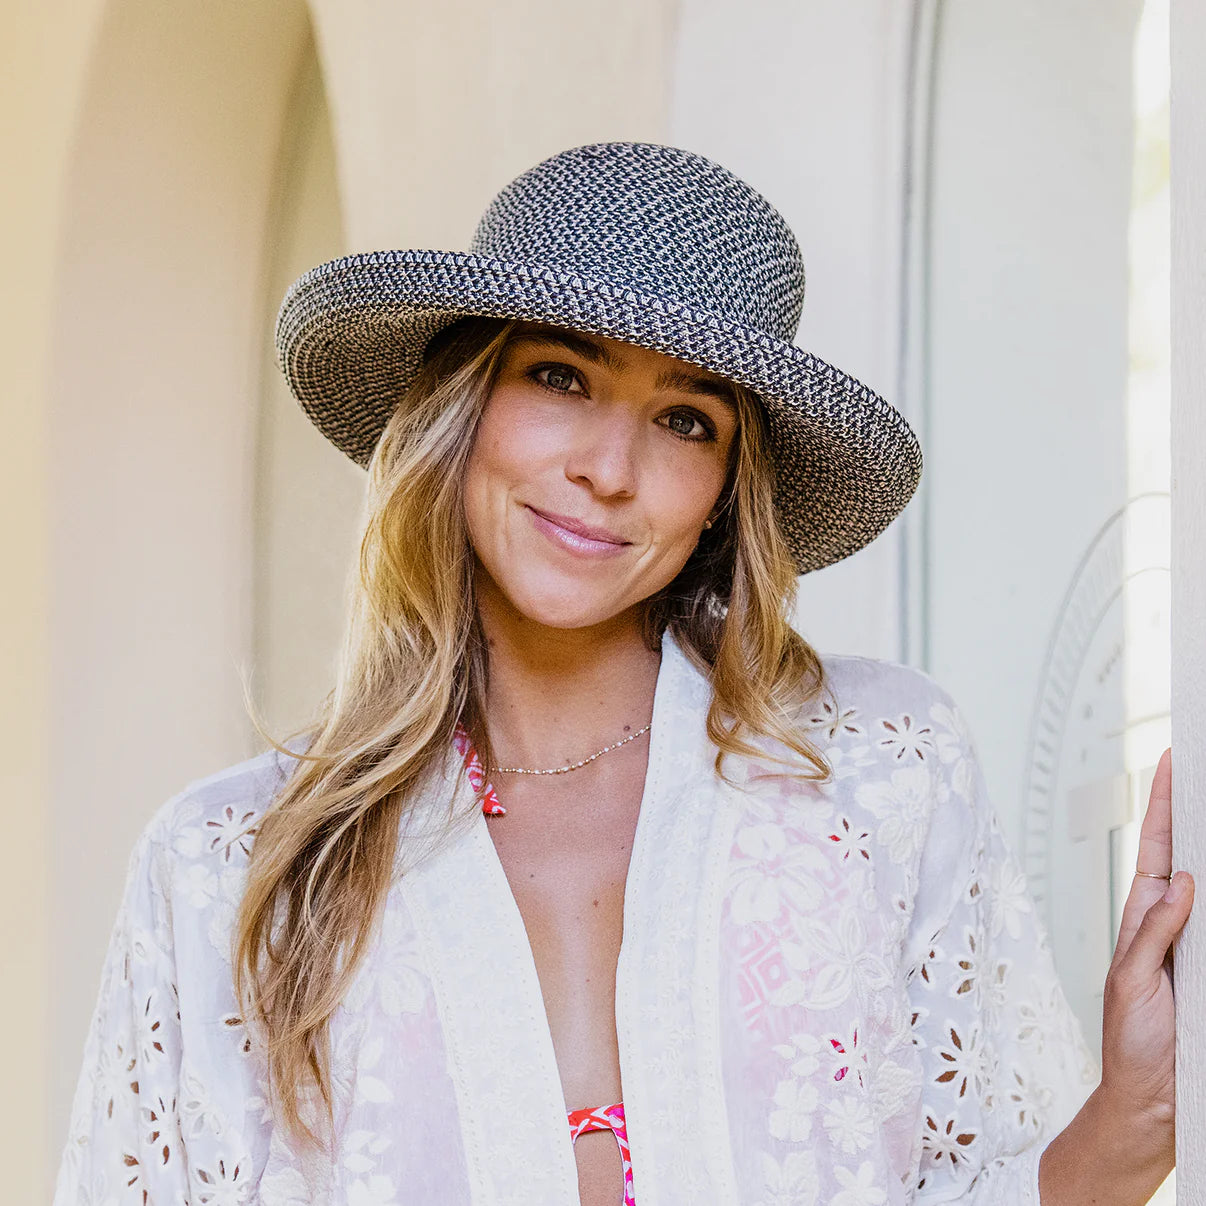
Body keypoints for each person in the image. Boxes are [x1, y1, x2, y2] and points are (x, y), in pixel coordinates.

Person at [54, 141, 1192, 1206]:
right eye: (560, 376)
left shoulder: (878, 773)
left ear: (725, 493)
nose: (610, 470)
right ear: (460, 410)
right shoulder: (229, 866)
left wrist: (1139, 1121)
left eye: (686, 421)